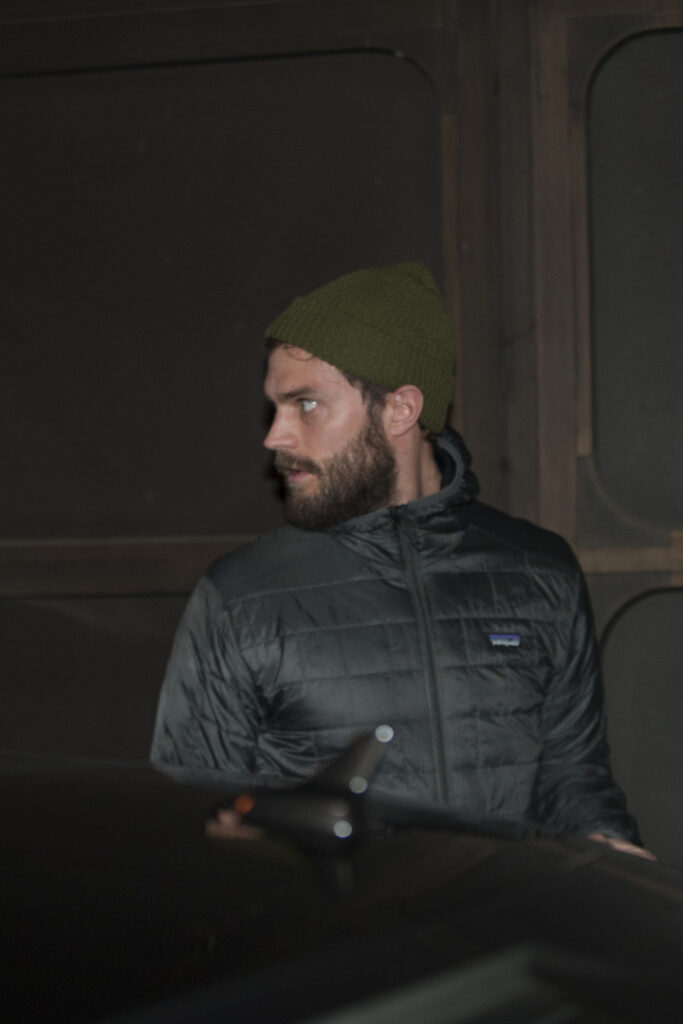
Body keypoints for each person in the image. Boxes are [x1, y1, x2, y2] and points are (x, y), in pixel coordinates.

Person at [151, 262, 648, 856]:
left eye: (305, 404)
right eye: (276, 407)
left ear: (400, 410)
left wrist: (606, 845)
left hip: (499, 917)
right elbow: (192, 823)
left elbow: (574, 774)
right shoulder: (239, 598)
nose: (276, 436)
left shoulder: (540, 572)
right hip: (330, 921)